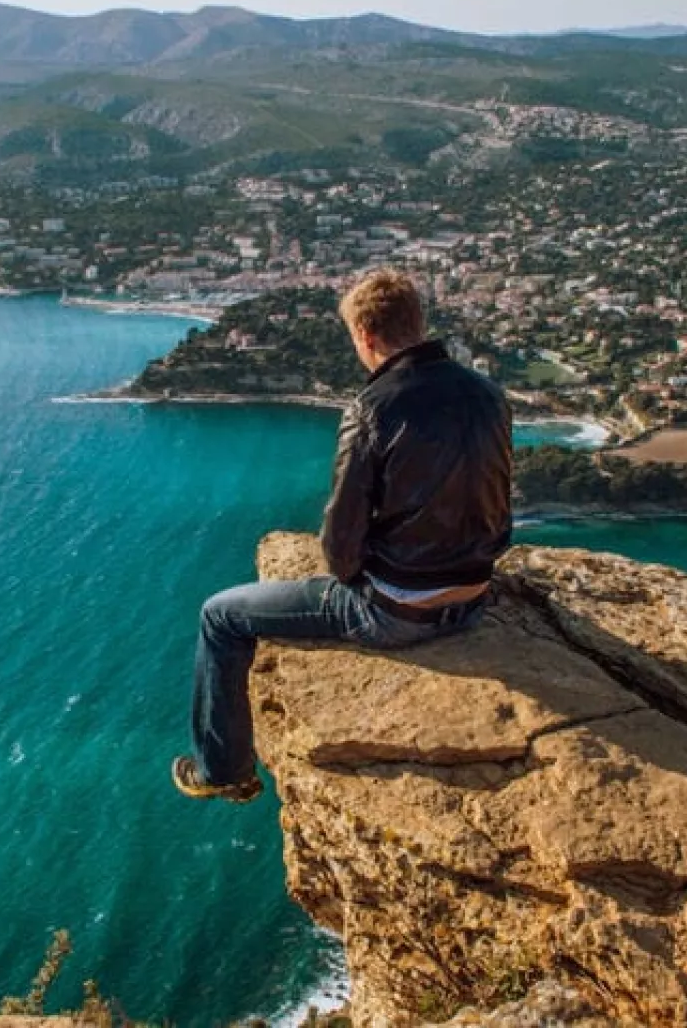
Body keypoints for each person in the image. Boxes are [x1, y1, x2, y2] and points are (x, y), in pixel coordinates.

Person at [173, 269, 513, 802]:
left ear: (365, 337)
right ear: (418, 324)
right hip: (475, 598)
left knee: (219, 615)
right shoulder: (488, 394)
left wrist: (357, 586)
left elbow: (338, 547)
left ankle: (223, 770)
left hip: (397, 613)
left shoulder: (374, 408)